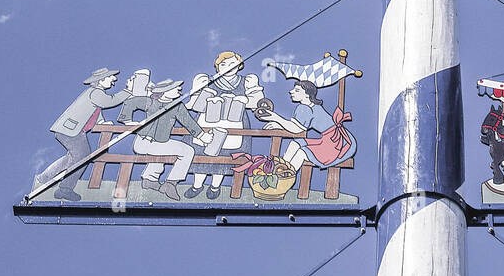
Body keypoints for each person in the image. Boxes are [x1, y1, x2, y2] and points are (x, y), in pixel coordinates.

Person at [35, 68, 129, 203]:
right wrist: (127, 92)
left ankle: (45, 178)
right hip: (71, 131)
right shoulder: (96, 93)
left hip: (70, 130)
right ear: (101, 80)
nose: (114, 80)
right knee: (82, 157)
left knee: (72, 158)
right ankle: (65, 189)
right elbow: (110, 101)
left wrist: (102, 122)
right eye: (110, 78)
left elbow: (94, 110)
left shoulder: (95, 94)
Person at [120, 78, 210, 201]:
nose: (179, 88)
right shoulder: (150, 102)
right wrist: (128, 121)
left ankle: (150, 180)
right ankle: (171, 183)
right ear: (164, 91)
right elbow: (130, 103)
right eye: (174, 87)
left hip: (157, 143)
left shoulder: (176, 106)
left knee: (165, 149)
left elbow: (188, 122)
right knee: (187, 151)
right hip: (143, 142)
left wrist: (201, 135)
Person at [185, 52, 250, 200]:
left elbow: (256, 101)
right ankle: (197, 185)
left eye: (232, 63)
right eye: (223, 64)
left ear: (239, 65)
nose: (228, 67)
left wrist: (246, 101)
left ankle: (215, 186)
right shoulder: (206, 81)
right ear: (217, 66)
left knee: (224, 154)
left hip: (234, 122)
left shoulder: (246, 82)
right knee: (200, 152)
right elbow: (194, 104)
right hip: (207, 121)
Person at [262, 79, 356, 173]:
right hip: (328, 139)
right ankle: (281, 169)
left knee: (302, 153)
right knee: (295, 143)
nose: (291, 91)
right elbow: (295, 126)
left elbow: (296, 129)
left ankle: (287, 176)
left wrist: (276, 118)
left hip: (334, 144)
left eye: (297, 90)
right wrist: (279, 125)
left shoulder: (306, 109)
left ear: (307, 94)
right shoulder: (310, 106)